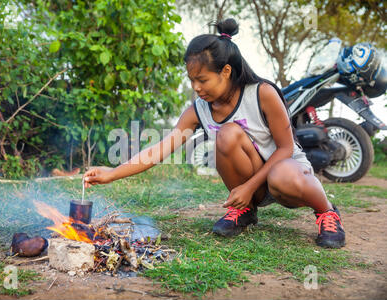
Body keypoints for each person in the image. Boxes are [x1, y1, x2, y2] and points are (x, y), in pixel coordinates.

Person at [83, 18, 345, 249]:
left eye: (203, 79)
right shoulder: (198, 111)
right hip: (250, 181)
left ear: (226, 71)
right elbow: (159, 149)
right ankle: (245, 211)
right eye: (191, 80)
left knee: (278, 172)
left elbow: (286, 149)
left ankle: (327, 213)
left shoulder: (261, 93)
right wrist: (112, 173)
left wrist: (249, 186)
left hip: (286, 173)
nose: (196, 88)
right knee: (227, 134)